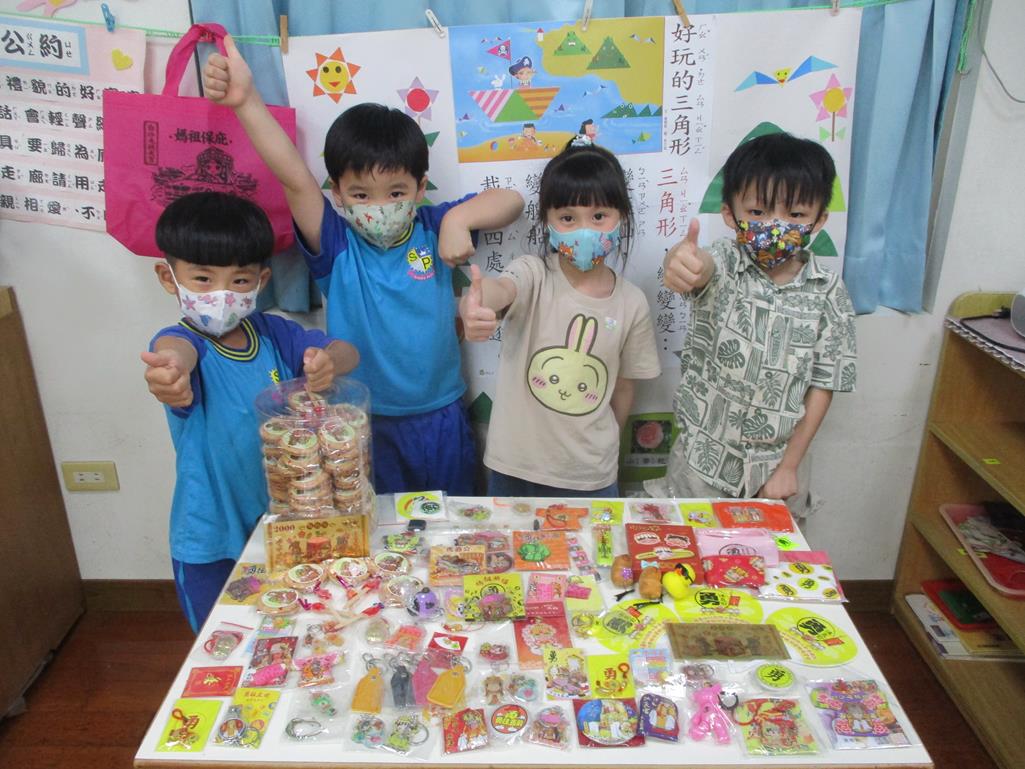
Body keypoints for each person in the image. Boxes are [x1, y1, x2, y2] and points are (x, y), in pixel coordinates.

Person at [203, 37, 524, 496]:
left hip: (442, 414)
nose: (379, 206)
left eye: (395, 192)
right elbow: (293, 178)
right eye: (360, 194)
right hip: (361, 419)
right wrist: (246, 101)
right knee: (377, 528)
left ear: (419, 189)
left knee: (455, 524)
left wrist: (459, 220)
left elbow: (511, 201)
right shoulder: (336, 243)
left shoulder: (433, 227)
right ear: (337, 194)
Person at [142, 192, 358, 632]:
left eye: (239, 280)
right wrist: (171, 373)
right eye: (203, 279)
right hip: (212, 539)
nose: (222, 294)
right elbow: (175, 352)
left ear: (261, 280)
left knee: (291, 633)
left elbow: (346, 351)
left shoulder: (274, 334)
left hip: (284, 525)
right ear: (169, 277)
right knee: (223, 640)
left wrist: (328, 362)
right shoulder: (185, 345)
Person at [649, 132, 857, 519]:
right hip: (701, 466)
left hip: (778, 474)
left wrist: (789, 466)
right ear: (730, 214)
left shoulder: (829, 292)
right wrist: (679, 262)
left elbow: (823, 384)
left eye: (795, 215)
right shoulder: (724, 263)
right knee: (686, 549)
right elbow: (698, 267)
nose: (775, 225)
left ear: (819, 220)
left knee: (770, 554)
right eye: (758, 212)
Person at [460, 138, 660, 497]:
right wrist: (476, 302)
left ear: (622, 217)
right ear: (547, 222)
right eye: (567, 218)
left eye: (599, 216)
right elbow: (500, 290)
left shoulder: (632, 302)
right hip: (515, 470)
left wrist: (604, 448)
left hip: (590, 476)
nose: (585, 230)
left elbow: (625, 387)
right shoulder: (533, 273)